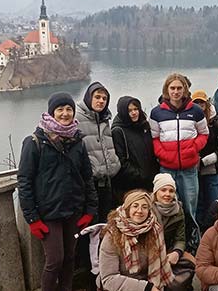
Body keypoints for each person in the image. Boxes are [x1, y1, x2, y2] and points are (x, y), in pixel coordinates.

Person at [18, 92, 98, 291]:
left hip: (72, 210)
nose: (65, 113)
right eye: (60, 109)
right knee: (55, 260)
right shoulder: (35, 142)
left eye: (69, 109)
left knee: (70, 258)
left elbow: (87, 177)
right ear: (51, 112)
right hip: (48, 213)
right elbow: (25, 182)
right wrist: (32, 219)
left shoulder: (77, 141)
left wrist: (89, 209)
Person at [150, 73, 209, 252]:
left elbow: (204, 134)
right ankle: (168, 244)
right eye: (172, 88)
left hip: (189, 168)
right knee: (166, 207)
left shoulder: (195, 111)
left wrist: (193, 148)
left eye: (179, 88)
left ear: (185, 90)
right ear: (167, 90)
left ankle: (192, 244)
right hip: (167, 169)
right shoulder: (157, 112)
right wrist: (162, 153)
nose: (176, 92)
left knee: (190, 207)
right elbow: (154, 138)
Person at [98, 190, 174, 291]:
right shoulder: (112, 235)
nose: (139, 210)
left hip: (150, 284)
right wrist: (146, 288)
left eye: (144, 207)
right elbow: (109, 279)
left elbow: (160, 267)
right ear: (127, 209)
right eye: (135, 206)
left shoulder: (155, 230)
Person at [76, 82, 120, 222]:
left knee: (105, 223)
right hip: (89, 183)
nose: (101, 101)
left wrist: (115, 164)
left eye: (104, 98)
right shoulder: (77, 118)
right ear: (89, 98)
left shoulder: (103, 118)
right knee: (90, 224)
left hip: (106, 181)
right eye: (97, 97)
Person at [111, 96, 159, 203]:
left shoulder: (144, 126)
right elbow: (120, 160)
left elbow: (151, 153)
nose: (134, 113)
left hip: (149, 181)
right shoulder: (118, 130)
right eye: (129, 110)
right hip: (130, 185)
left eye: (136, 109)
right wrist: (140, 175)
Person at [152, 173, 196, 290]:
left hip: (169, 251)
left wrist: (177, 252)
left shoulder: (178, 210)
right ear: (156, 192)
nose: (167, 194)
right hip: (149, 252)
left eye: (171, 191)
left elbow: (180, 238)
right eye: (163, 190)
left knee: (192, 264)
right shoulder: (146, 208)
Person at [191, 89, 218, 223]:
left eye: (202, 103)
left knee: (214, 205)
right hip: (195, 172)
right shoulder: (190, 123)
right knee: (198, 206)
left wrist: (205, 161)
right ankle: (200, 234)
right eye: (196, 104)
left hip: (212, 171)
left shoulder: (216, 123)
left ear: (207, 104)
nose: (199, 107)